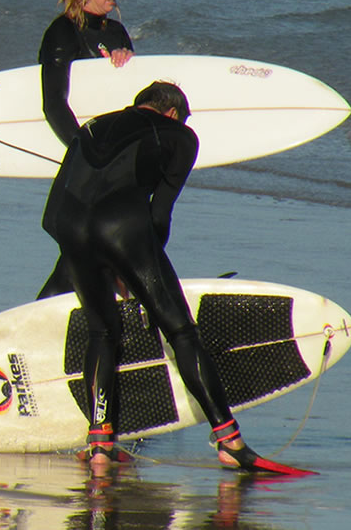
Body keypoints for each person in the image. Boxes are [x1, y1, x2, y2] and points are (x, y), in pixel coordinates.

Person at [42, 82, 310, 475]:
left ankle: (100, 444)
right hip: (123, 229)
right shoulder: (181, 136)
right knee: (181, 331)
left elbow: (55, 207)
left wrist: (94, 256)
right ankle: (229, 441)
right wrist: (139, 272)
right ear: (172, 113)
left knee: (103, 332)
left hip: (67, 227)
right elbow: (158, 215)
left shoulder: (93, 126)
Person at [37, 0, 135, 299]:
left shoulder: (118, 33)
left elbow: (130, 100)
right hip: (89, 165)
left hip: (116, 164)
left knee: (93, 260)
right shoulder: (62, 33)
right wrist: (90, 154)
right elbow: (54, 106)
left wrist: (127, 61)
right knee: (92, 258)